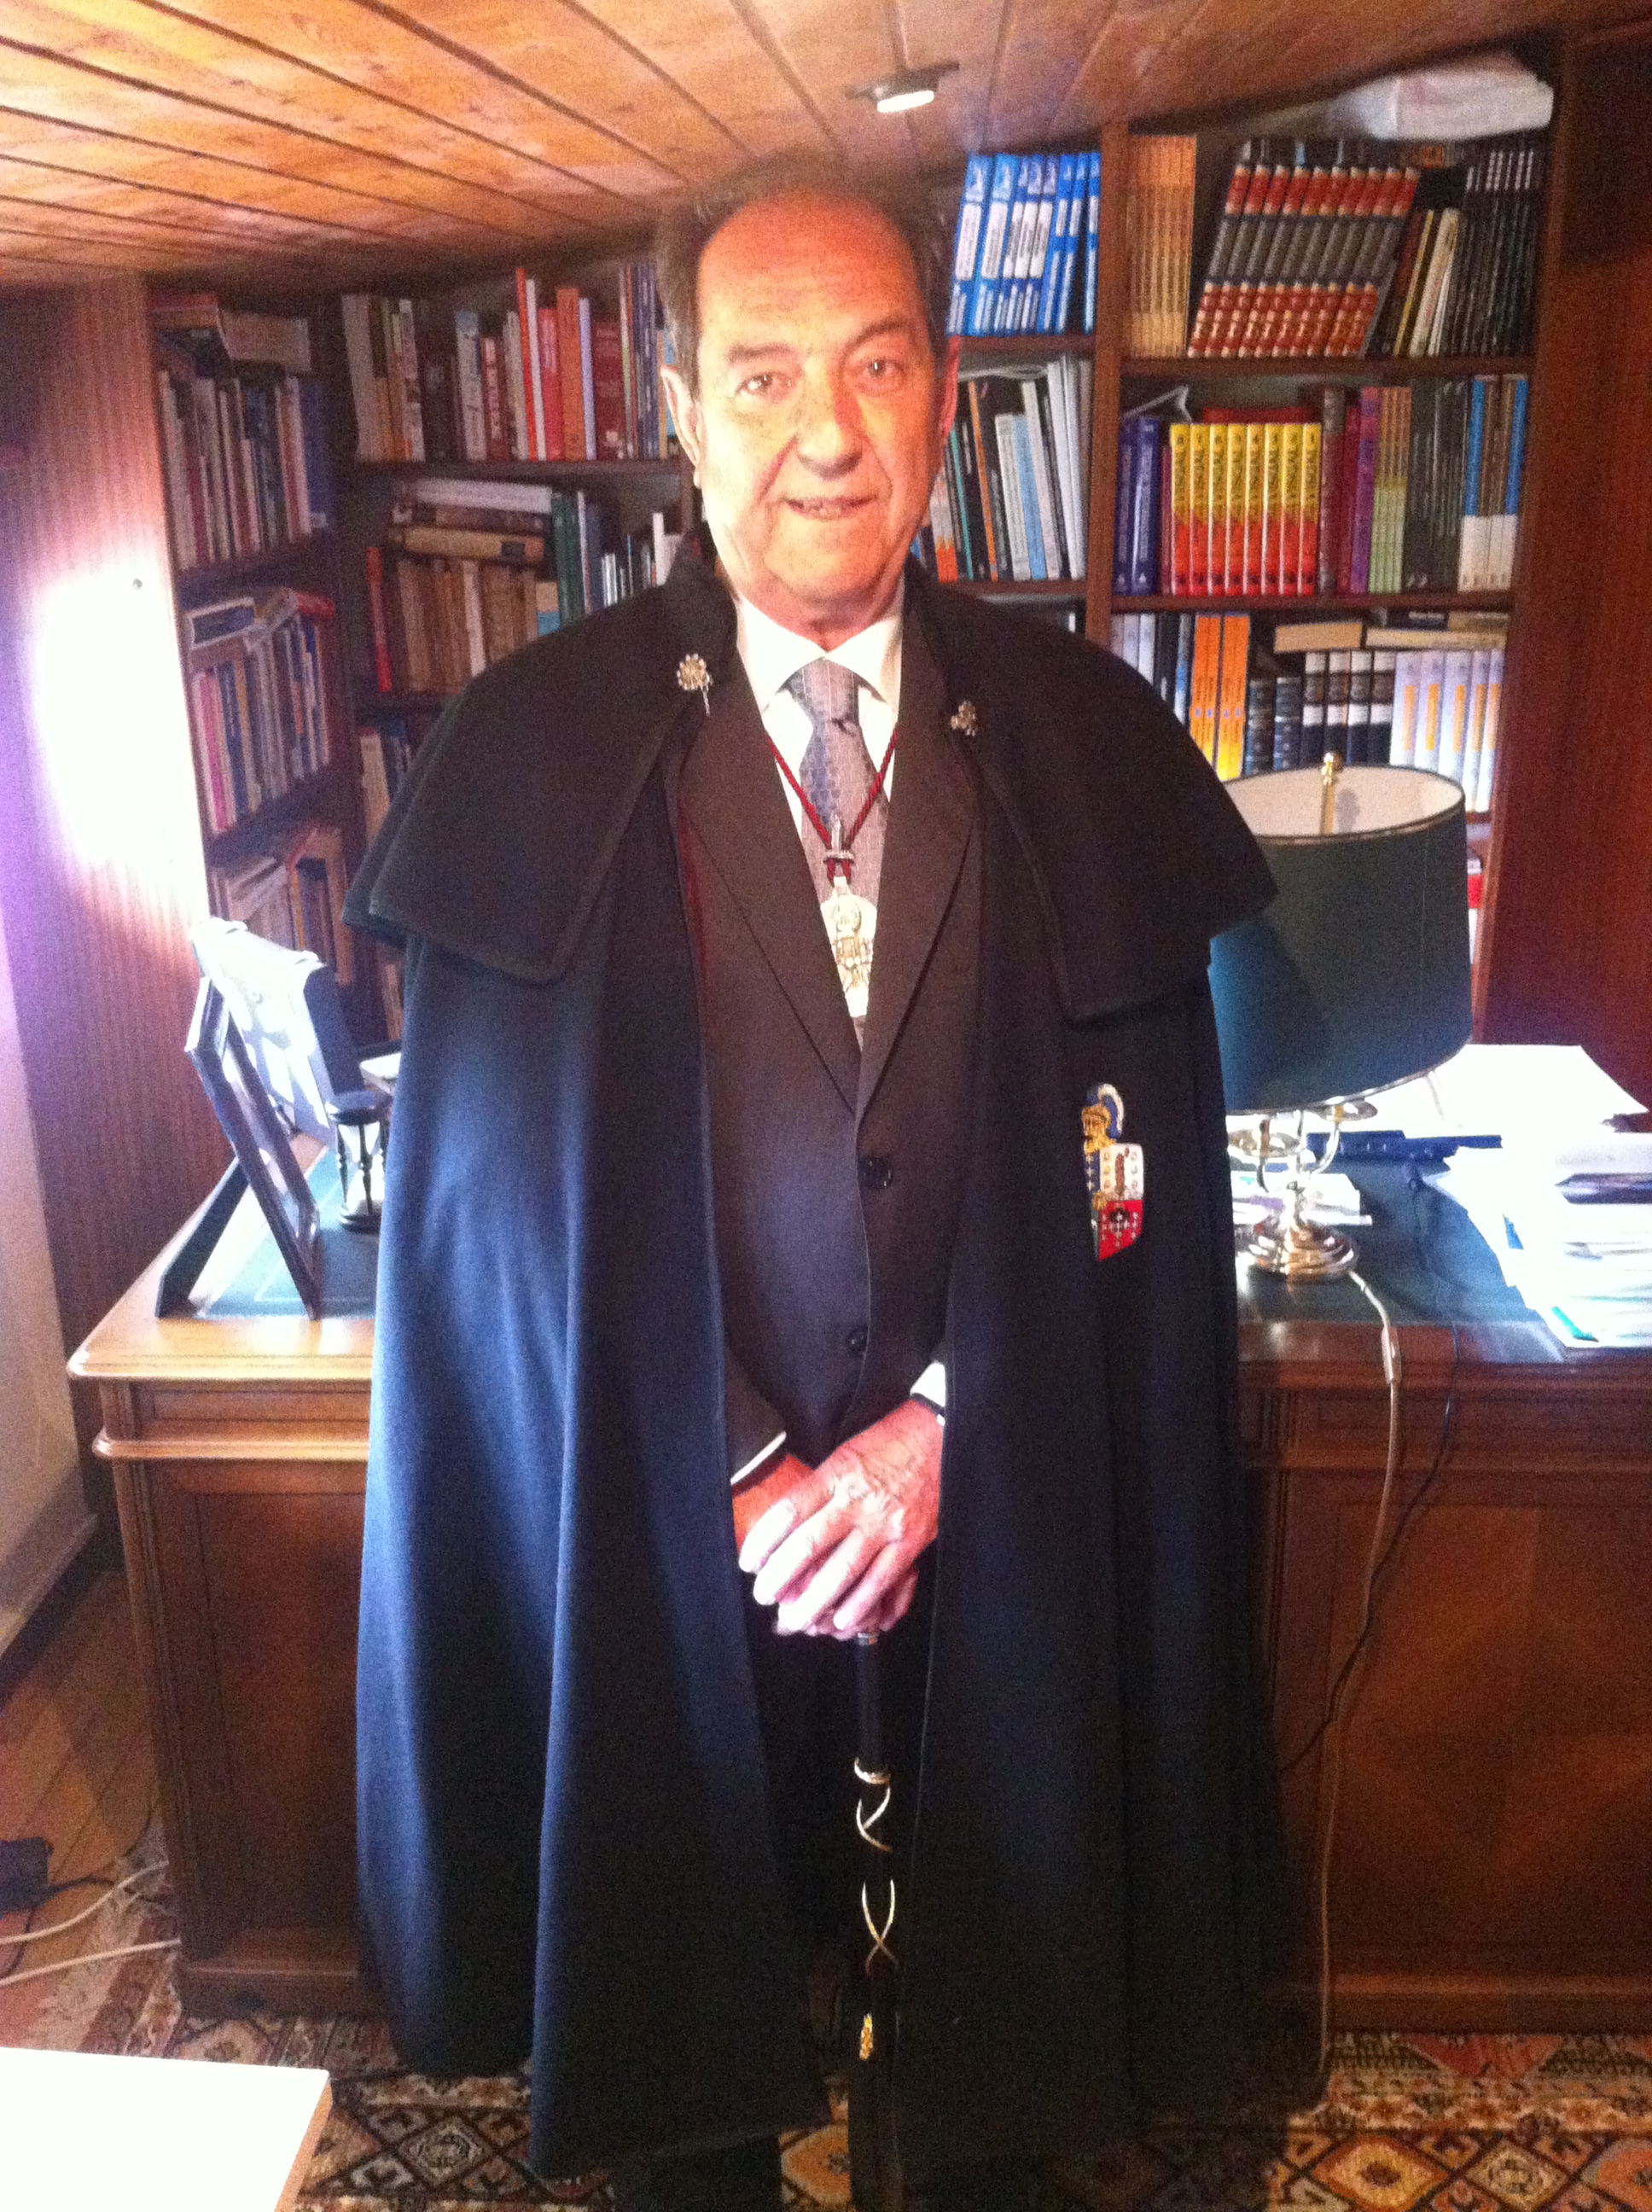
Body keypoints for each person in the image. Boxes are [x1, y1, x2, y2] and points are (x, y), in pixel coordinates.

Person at [345, 161, 1279, 2212]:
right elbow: (495, 1230)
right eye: (762, 378)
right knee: (682, 2056)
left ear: (944, 389)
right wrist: (740, 1467)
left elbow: (1142, 1197)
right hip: (669, 1530)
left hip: (1002, 1510)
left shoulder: (1085, 737)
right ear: (684, 415)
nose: (826, 433)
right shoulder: (529, 748)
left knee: (994, 2038)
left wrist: (947, 1429)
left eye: (873, 364)